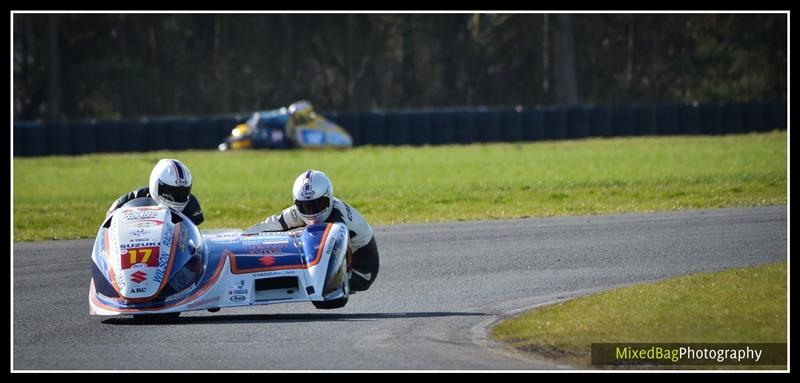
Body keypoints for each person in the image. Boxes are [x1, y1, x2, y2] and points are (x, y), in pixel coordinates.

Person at [244, 169, 379, 292]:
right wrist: (243, 238)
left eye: (318, 205)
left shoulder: (340, 220)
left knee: (314, 282)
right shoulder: (297, 211)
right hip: (337, 262)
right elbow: (270, 225)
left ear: (329, 198)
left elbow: (336, 259)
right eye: (304, 206)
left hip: (361, 271)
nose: (312, 212)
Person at [107, 158, 204, 226]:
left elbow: (195, 238)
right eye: (170, 191)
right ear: (156, 184)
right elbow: (108, 225)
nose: (178, 197)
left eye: (183, 192)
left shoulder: (192, 205)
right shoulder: (130, 199)